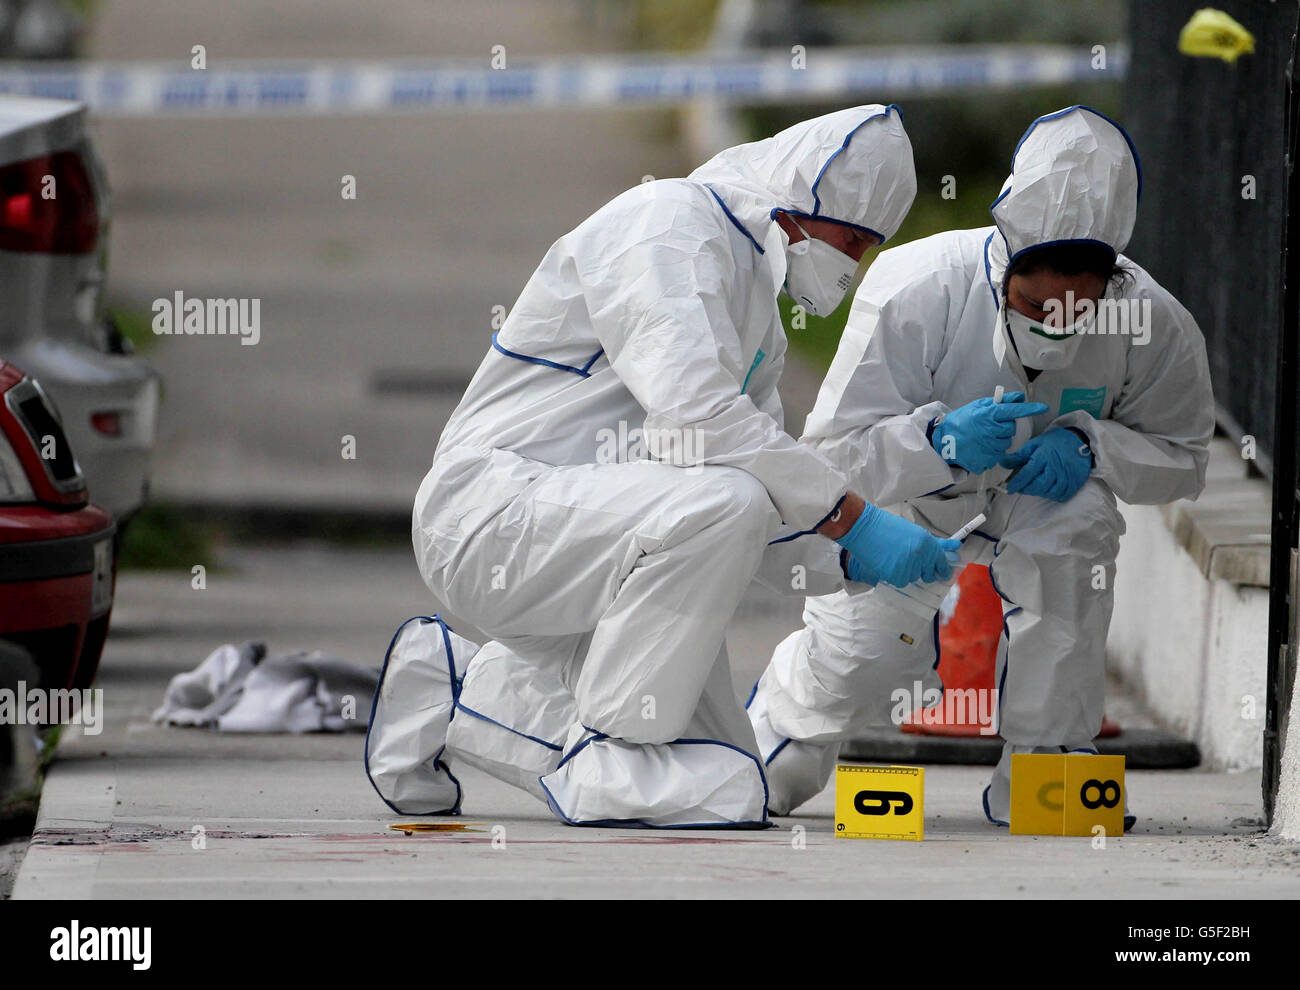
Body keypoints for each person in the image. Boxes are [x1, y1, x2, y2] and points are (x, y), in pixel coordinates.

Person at [406, 105, 959, 827]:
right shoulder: (667, 223)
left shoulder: (755, 305)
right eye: (850, 241)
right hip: (493, 517)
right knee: (723, 498)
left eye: (868, 250)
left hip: (597, 553)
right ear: (797, 207)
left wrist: (860, 564)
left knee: (733, 784)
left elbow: (759, 501)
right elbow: (697, 420)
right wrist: (854, 520)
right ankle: (608, 756)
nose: (851, 268)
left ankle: (448, 687)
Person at [746, 105, 1216, 827]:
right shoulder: (917, 286)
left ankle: (1049, 772)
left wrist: (1094, 444)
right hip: (912, 500)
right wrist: (935, 443)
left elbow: (1184, 457)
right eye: (1033, 305)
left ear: (1110, 281)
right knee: (869, 653)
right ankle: (770, 751)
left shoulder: (1152, 320)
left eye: (1076, 313)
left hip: (1046, 496)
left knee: (1079, 533)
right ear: (1005, 259)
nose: (1054, 326)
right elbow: (832, 456)